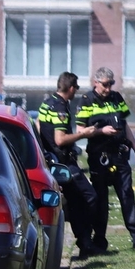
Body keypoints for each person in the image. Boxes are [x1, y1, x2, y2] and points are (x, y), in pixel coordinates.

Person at [75, 67, 135, 251]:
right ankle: (99, 240)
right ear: (96, 83)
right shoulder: (86, 100)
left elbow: (125, 126)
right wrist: (101, 131)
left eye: (111, 84)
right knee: (101, 201)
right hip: (99, 157)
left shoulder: (116, 98)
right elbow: (80, 131)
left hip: (119, 156)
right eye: (105, 85)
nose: (108, 88)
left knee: (127, 196)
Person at [37, 71, 100, 259]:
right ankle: (85, 240)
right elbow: (60, 139)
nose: (76, 91)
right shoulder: (60, 107)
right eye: (76, 88)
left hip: (52, 161)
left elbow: (38, 126)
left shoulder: (47, 102)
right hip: (64, 164)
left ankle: (85, 244)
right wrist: (83, 134)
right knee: (90, 197)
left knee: (75, 201)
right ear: (71, 88)